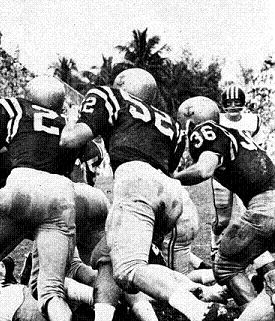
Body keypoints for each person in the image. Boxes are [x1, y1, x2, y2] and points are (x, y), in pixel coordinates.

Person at [60, 68, 231, 321]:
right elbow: (169, 165)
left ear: (121, 83)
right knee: (107, 255)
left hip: (135, 183)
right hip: (170, 193)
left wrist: (71, 119)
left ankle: (198, 310)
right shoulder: (170, 122)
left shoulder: (112, 96)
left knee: (129, 269)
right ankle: (105, 316)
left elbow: (70, 140)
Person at [0, 75, 80, 321]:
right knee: (52, 290)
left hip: (23, 184)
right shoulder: (67, 123)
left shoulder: (16, 109)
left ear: (29, 96)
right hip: (62, 194)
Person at [174, 96, 275, 314]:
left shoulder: (205, 131)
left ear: (191, 119)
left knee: (226, 266)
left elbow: (204, 170)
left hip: (265, 205)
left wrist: (171, 176)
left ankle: (254, 314)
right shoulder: (237, 132)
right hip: (268, 202)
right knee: (256, 252)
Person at [210, 85, 261, 260]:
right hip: (223, 175)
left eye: (237, 102)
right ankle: (215, 243)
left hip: (244, 175)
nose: (232, 106)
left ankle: (247, 252)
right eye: (229, 102)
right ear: (223, 104)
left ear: (243, 103)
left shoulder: (252, 120)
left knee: (246, 215)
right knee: (222, 220)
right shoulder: (217, 119)